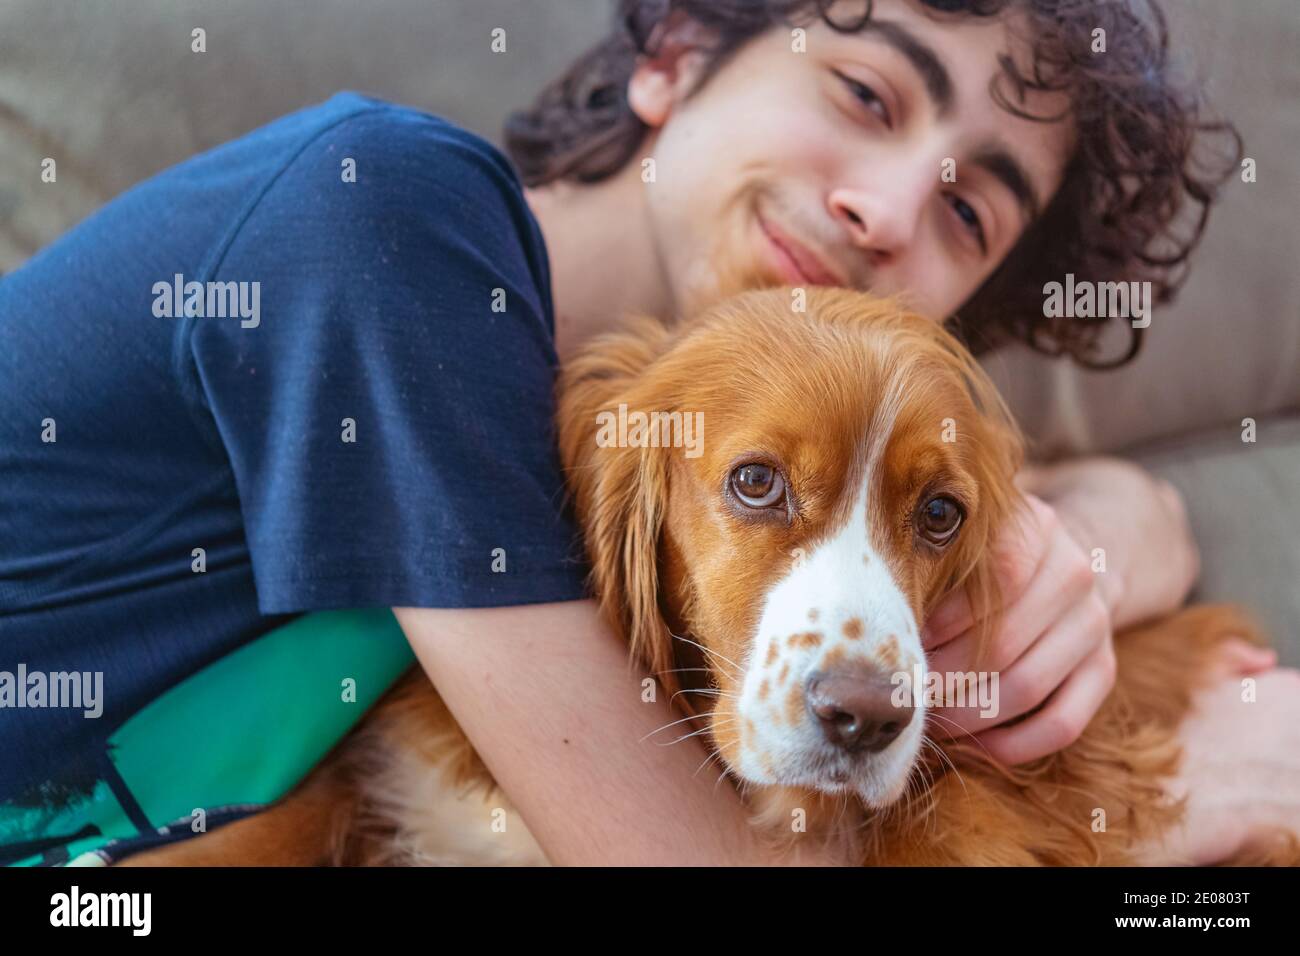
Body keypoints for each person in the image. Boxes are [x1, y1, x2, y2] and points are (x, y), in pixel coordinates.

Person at [2, 0, 1296, 866]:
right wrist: (1137, 825)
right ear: (673, 49)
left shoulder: (601, 502)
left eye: (972, 219)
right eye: (864, 92)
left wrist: (1132, 515)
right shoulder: (386, 217)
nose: (890, 209)